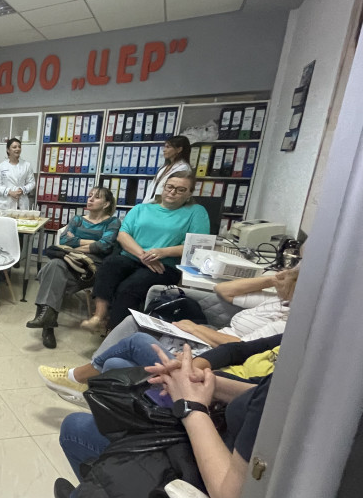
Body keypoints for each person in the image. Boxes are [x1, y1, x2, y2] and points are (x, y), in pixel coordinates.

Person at [54, 343, 363, 498]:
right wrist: (204, 381)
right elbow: (265, 396)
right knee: (125, 377)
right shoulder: (338, 371)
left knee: (76, 430)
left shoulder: (324, 379)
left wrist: (191, 408)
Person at [41, 267, 299, 401]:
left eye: (289, 277)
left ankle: (79, 377)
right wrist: (271, 281)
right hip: (207, 340)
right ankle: (95, 382)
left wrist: (195, 328)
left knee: (137, 336)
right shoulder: (278, 302)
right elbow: (224, 290)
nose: (282, 276)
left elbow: (241, 347)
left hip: (214, 354)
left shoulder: (290, 321)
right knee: (115, 362)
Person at [82, 171, 209, 333]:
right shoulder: (141, 208)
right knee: (109, 265)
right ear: (163, 187)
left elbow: (196, 246)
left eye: (180, 190)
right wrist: (144, 256)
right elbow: (123, 235)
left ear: (190, 193)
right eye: (169, 187)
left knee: (129, 288)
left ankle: (115, 333)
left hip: (163, 266)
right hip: (134, 257)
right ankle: (98, 317)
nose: (172, 192)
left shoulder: (196, 212)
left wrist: (162, 252)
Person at [26, 186, 121, 348]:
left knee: (52, 271)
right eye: (89, 195)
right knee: (55, 265)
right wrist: (93, 243)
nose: (90, 199)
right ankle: (48, 324)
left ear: (106, 204)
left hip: (93, 268)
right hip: (69, 261)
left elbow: (105, 246)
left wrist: (77, 244)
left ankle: (47, 324)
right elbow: (65, 240)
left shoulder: (113, 222)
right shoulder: (77, 219)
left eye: (96, 197)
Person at [141, 136, 192, 203]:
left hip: (164, 204)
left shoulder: (183, 168)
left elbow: (173, 191)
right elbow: (152, 189)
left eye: (168, 147)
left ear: (179, 149)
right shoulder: (164, 167)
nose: (164, 150)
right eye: (165, 147)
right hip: (151, 204)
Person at [0, 137, 36, 211]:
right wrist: (10, 192)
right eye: (14, 147)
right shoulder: (1, 166)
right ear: (8, 150)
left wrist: (22, 190)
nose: (17, 149)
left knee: (21, 217)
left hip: (22, 202)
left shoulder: (27, 165)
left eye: (19, 147)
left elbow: (32, 183)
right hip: (5, 203)